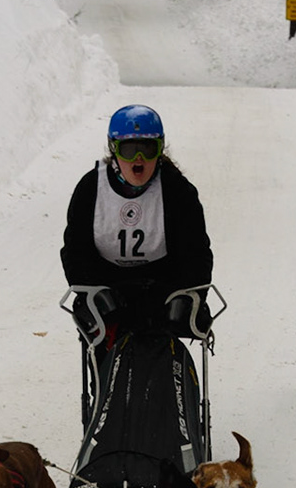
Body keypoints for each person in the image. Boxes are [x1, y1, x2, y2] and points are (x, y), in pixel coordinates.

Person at [61, 104, 214, 342]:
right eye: (129, 150)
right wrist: (91, 291)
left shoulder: (177, 190)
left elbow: (196, 253)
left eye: (148, 149)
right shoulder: (91, 188)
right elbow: (75, 250)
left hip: (163, 288)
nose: (138, 159)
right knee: (98, 329)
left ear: (160, 150)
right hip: (108, 286)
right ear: (114, 150)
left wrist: (187, 295)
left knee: (173, 330)